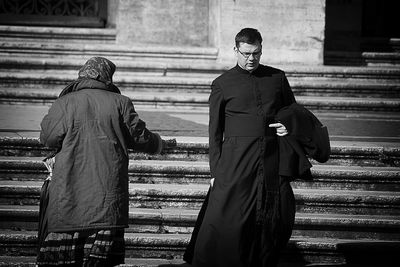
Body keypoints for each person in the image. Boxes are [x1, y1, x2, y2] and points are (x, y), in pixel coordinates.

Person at [189, 28, 329, 267]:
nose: (250, 59)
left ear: (261, 50)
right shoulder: (221, 84)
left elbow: (293, 112)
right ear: (236, 50)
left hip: (272, 158)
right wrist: (215, 171)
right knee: (229, 218)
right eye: (245, 53)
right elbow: (214, 132)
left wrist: (288, 128)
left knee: (278, 215)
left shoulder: (277, 78)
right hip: (236, 161)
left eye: (256, 53)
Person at [37, 57, 168, 266]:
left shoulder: (64, 102)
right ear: (107, 77)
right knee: (103, 251)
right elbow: (139, 137)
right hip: (107, 189)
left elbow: (48, 138)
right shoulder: (121, 102)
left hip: (70, 188)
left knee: (65, 244)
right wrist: (160, 144)